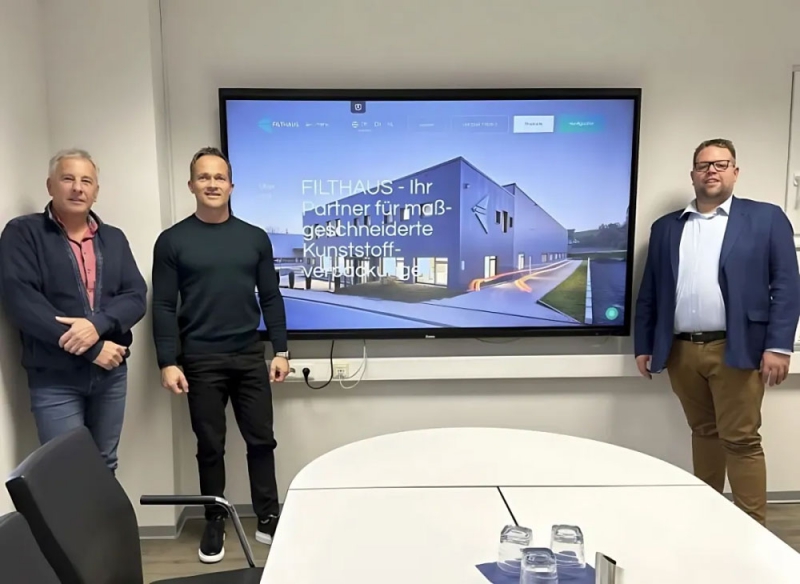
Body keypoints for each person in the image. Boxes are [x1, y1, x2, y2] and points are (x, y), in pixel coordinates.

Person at [634, 138, 800, 526]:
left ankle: (752, 528)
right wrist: (644, 344)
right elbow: (650, 291)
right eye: (703, 165)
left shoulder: (766, 218)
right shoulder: (666, 228)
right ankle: (709, 523)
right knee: (704, 433)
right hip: (681, 351)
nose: (711, 170)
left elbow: (787, 286)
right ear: (692, 174)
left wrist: (779, 346)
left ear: (735, 172)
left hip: (737, 348)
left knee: (741, 439)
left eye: (721, 164)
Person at [151, 146, 290, 564]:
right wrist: (167, 361)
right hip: (200, 359)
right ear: (191, 185)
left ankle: (268, 517)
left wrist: (281, 350)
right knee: (210, 445)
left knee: (261, 440)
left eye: (219, 177)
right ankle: (215, 520)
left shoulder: (254, 237)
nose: (212, 184)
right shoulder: (172, 241)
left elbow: (270, 296)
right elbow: (164, 305)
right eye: (204, 177)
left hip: (249, 356)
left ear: (231, 185)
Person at [0, 148, 147, 474]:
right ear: (50, 185)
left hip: (110, 373)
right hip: (55, 377)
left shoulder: (114, 238)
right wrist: (91, 347)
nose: (77, 188)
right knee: (66, 470)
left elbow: (136, 296)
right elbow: (22, 302)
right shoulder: (23, 233)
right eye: (68, 179)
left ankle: (100, 514)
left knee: (105, 465)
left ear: (96, 191)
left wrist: (97, 326)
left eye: (86, 181)